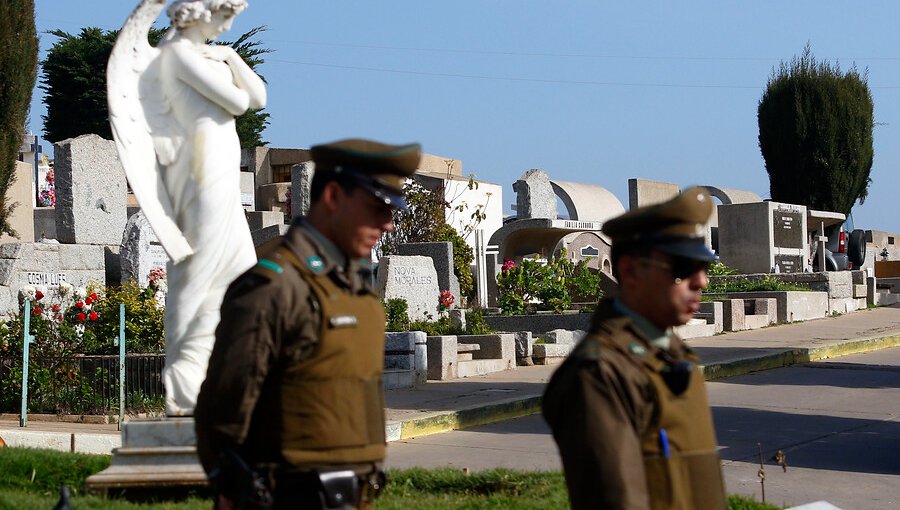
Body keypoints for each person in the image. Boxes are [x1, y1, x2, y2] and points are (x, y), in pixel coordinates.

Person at [195, 139, 420, 509]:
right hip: (288, 495)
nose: (388, 223)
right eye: (376, 207)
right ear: (332, 197)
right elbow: (224, 404)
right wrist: (229, 487)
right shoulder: (274, 287)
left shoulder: (352, 289)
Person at [542, 187, 727, 510]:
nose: (702, 281)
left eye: (704, 267)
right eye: (683, 268)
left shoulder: (673, 356)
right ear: (629, 271)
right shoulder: (600, 373)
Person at [153, 0, 266, 415]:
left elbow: (259, 95)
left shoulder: (212, 53)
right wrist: (223, 60)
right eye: (225, 16)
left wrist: (231, 55)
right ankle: (183, 385)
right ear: (201, 11)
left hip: (219, 168)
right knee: (196, 271)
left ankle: (213, 375)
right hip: (198, 169)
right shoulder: (177, 52)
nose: (228, 26)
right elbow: (236, 103)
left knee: (237, 270)